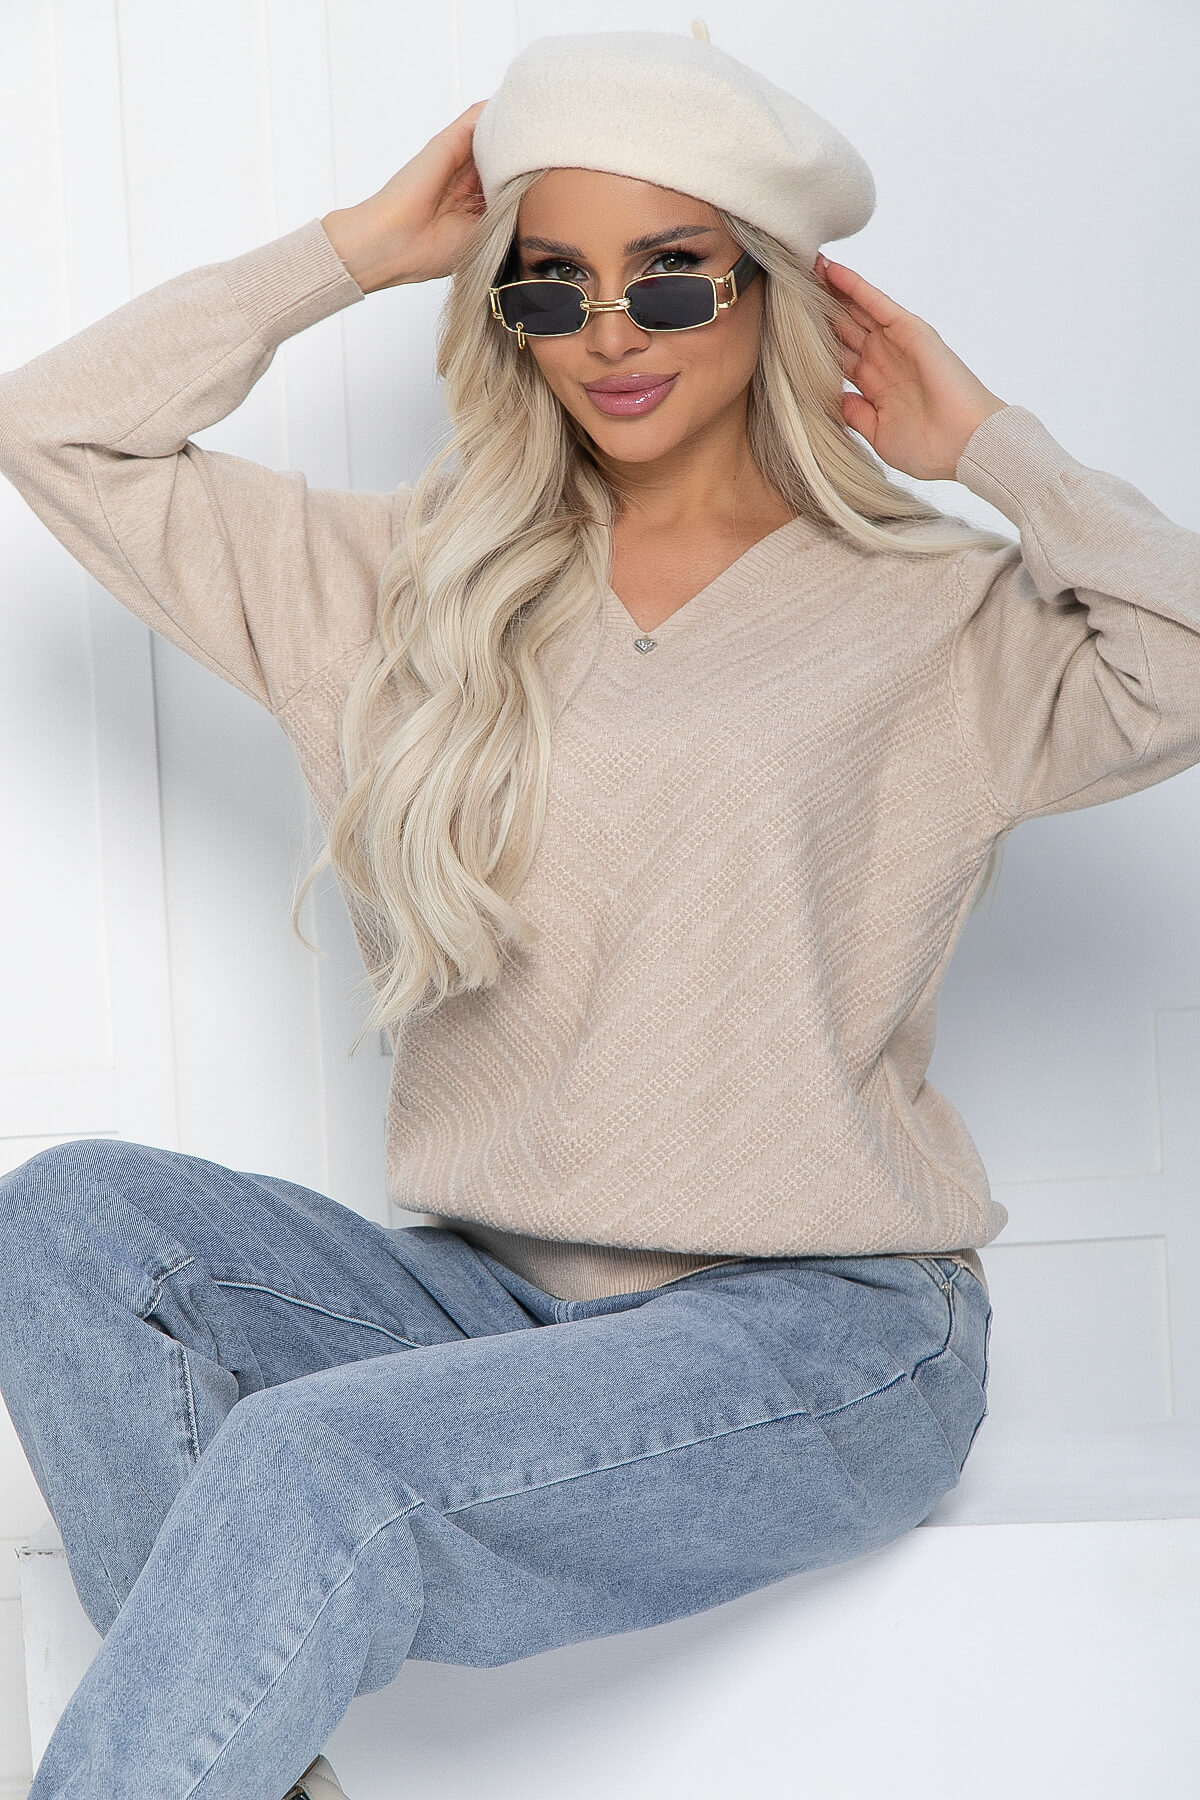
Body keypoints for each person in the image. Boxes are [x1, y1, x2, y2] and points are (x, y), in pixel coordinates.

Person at [1, 21, 1197, 1800]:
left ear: (774, 288)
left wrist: (992, 446)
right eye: (550, 285)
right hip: (491, 1309)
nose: (611, 333)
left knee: (311, 1466)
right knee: (71, 1221)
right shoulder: (408, 585)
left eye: (672, 277)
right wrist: (353, 251)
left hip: (823, 1329)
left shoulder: (934, 614)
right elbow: (56, 430)